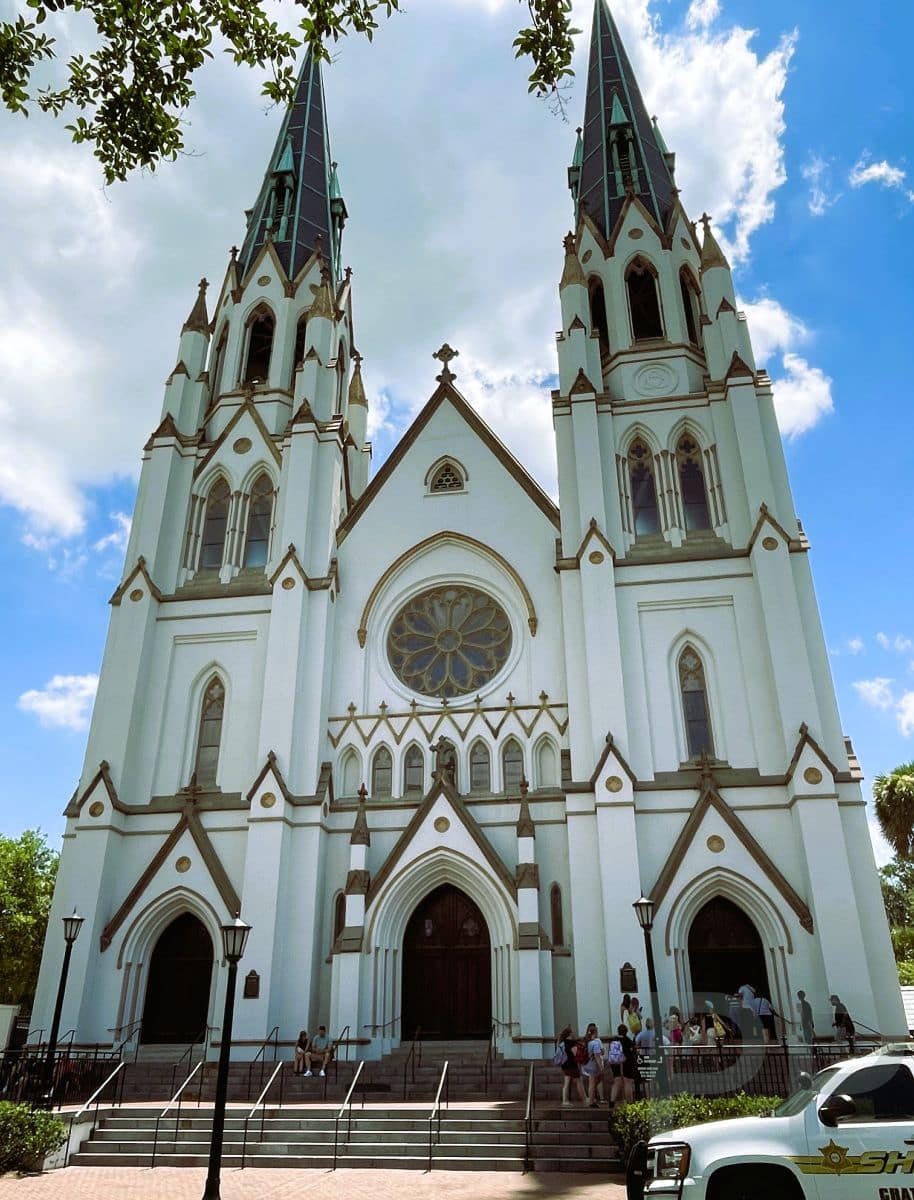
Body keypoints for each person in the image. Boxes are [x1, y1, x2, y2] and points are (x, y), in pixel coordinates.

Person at [556, 1025, 587, 1106]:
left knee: (567, 1083)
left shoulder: (562, 1042)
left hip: (565, 1064)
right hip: (571, 1064)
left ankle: (565, 1100)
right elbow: (575, 1054)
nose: (574, 1033)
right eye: (572, 1032)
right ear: (569, 1034)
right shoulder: (571, 1043)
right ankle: (584, 1099)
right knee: (578, 1081)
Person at [609, 1024, 636, 1107]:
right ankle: (630, 1102)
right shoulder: (628, 1041)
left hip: (615, 1063)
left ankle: (611, 1102)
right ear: (626, 1031)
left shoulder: (614, 1040)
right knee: (627, 1082)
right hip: (627, 1063)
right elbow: (632, 1053)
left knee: (616, 1082)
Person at [581, 1022, 606, 1108]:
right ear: (595, 1032)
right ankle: (591, 1101)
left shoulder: (586, 1041)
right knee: (592, 1083)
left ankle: (591, 1098)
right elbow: (597, 1056)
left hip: (586, 1064)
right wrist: (601, 1067)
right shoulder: (595, 1043)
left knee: (593, 1082)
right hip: (593, 1066)